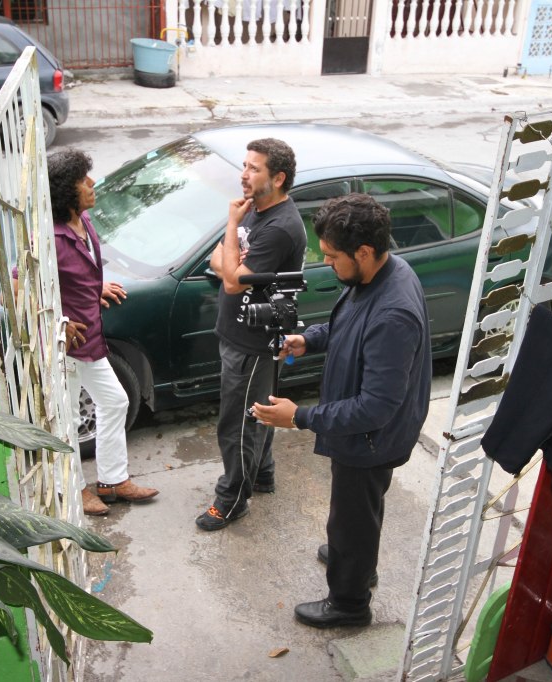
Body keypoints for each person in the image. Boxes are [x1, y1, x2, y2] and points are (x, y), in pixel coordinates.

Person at [251, 193, 432, 628]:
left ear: (364, 252)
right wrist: (310, 339)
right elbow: (350, 325)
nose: (328, 264)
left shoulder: (393, 313)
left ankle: (349, 604)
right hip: (366, 432)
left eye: (333, 257)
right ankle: (356, 560)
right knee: (358, 510)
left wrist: (300, 417)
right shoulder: (378, 274)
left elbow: (376, 407)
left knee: (352, 515)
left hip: (370, 438)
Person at [195, 138, 307, 531]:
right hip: (239, 333)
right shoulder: (254, 211)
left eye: (254, 169)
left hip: (254, 342)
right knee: (258, 412)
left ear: (278, 178)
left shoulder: (279, 227)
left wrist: (231, 230)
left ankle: (231, 500)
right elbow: (217, 259)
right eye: (244, 166)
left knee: (237, 424)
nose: (243, 175)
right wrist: (232, 260)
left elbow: (231, 281)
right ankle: (261, 475)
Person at [48, 149, 159, 516]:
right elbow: (21, 285)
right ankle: (75, 488)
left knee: (114, 402)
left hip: (91, 340)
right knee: (67, 420)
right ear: (66, 191)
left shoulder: (82, 221)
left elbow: (77, 273)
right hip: (66, 345)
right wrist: (59, 320)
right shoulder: (52, 237)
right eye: (83, 180)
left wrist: (94, 288)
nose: (92, 183)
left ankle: (112, 481)